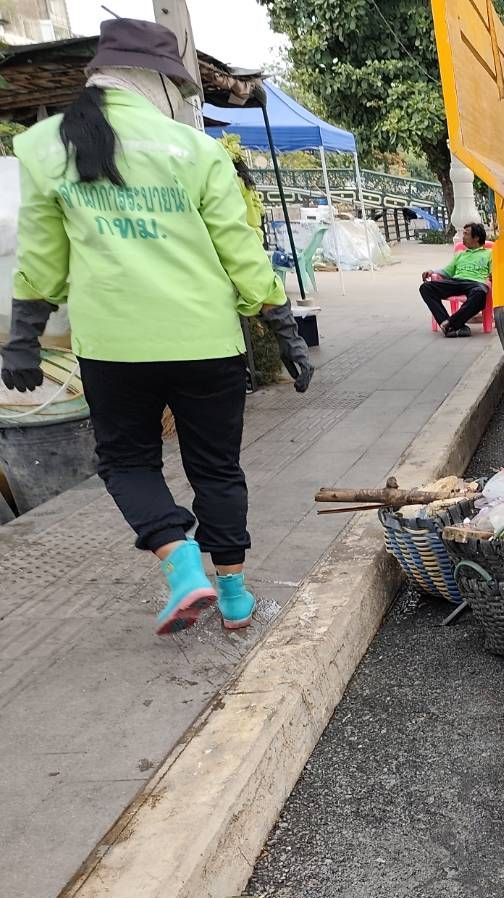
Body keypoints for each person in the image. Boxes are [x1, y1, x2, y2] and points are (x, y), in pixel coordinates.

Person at [0, 19, 314, 636]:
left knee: (126, 462)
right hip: (206, 341)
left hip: (114, 347)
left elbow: (43, 260)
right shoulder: (195, 150)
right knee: (216, 468)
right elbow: (241, 252)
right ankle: (233, 598)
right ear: (159, 82)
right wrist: (283, 327)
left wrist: (24, 337)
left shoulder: (42, 147)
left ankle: (180, 561)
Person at [419, 223, 491, 337]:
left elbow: (494, 272)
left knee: (480, 293)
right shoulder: (460, 254)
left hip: (476, 283)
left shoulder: (489, 253)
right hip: (456, 281)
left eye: (466, 234)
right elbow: (447, 271)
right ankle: (450, 323)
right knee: (426, 288)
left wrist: (491, 276)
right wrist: (432, 271)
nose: (463, 236)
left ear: (476, 237)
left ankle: (449, 324)